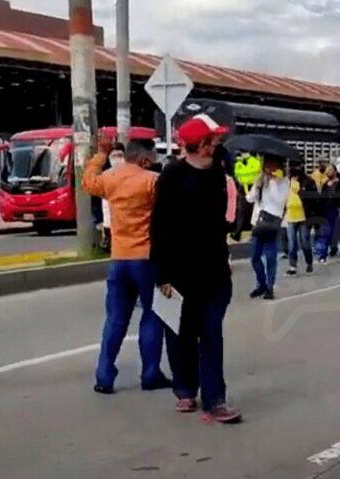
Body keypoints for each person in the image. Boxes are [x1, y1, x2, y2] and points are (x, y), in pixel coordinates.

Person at [150, 114, 241, 423]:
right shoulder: (172, 175)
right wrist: (160, 273)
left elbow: (234, 217)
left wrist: (228, 167)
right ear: (201, 145)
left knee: (212, 334)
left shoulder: (222, 175)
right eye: (213, 140)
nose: (218, 144)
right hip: (178, 273)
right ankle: (185, 389)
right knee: (180, 335)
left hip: (214, 271)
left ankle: (215, 399)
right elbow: (158, 226)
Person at [82, 136, 172, 394]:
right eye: (154, 156)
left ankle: (104, 375)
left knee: (116, 318)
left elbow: (88, 182)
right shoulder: (152, 182)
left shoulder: (110, 178)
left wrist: (101, 154)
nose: (155, 161)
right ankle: (150, 373)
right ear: (144, 158)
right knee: (153, 315)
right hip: (146, 258)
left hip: (118, 258)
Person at [248, 157, 291, 300]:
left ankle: (269, 287)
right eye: (267, 164)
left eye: (272, 164)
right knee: (255, 257)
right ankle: (261, 284)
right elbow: (250, 198)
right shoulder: (260, 180)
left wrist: (272, 182)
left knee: (270, 257)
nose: (269, 167)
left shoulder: (283, 182)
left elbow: (280, 200)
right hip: (258, 223)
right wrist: (256, 186)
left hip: (273, 223)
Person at [285, 171, 313, 277]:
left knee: (304, 241)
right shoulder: (286, 184)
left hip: (303, 216)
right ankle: (293, 266)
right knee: (292, 242)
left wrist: (298, 187)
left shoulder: (305, 183)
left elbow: (308, 198)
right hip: (290, 216)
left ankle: (309, 262)